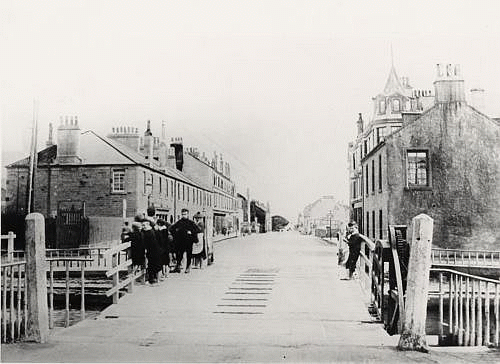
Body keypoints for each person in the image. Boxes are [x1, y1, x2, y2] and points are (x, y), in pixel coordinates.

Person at [169, 208, 201, 273]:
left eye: (185, 214)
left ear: (188, 214)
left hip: (189, 242)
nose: (184, 215)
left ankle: (188, 267)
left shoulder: (191, 222)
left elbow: (198, 229)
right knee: (179, 254)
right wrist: (176, 233)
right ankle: (178, 267)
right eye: (183, 214)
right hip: (180, 242)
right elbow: (171, 228)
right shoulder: (179, 222)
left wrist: (191, 232)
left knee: (189, 255)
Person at [142, 216, 163, 285]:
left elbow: (160, 239)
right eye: (142, 225)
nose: (143, 226)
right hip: (149, 251)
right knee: (151, 265)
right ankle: (152, 279)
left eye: (144, 225)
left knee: (155, 264)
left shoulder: (153, 231)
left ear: (148, 224)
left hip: (155, 250)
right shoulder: (144, 232)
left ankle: (154, 279)